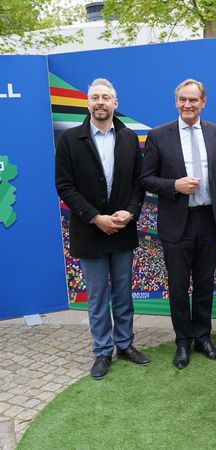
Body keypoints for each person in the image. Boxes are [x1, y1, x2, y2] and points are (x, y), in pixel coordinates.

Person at [140, 79, 216, 369]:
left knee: (206, 283)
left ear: (203, 102)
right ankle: (182, 342)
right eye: (183, 99)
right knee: (179, 285)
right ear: (176, 102)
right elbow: (145, 178)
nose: (187, 105)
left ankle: (203, 337)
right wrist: (174, 185)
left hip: (209, 220)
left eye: (193, 100)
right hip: (176, 223)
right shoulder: (159, 136)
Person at [55, 78, 149, 380]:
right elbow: (64, 186)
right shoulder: (70, 140)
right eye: (94, 97)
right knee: (96, 297)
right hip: (89, 229)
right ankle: (102, 351)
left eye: (106, 97)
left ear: (115, 104)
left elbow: (138, 183)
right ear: (88, 103)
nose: (100, 102)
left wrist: (130, 213)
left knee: (123, 294)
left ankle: (125, 344)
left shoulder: (129, 139)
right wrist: (96, 217)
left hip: (122, 228)